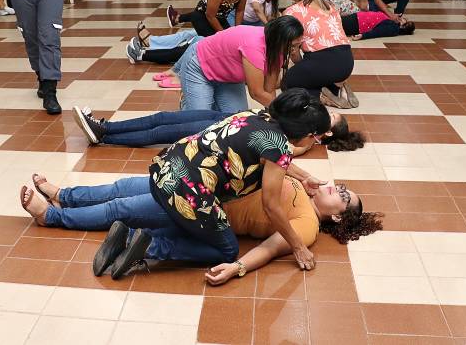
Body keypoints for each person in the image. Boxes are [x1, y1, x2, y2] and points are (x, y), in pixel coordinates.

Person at [20, 90, 338, 279]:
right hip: (189, 193)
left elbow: (268, 156)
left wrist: (303, 176)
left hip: (170, 166)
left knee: (122, 197)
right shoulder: (279, 147)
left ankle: (66, 201)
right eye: (316, 136)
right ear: (307, 133)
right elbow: (270, 203)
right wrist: (298, 247)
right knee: (227, 249)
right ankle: (62, 219)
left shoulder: (257, 116)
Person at [72, 104, 363, 153]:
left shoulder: (307, 140)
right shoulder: (310, 117)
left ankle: (104, 135)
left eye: (331, 117)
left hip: (227, 129)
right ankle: (106, 127)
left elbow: (283, 150)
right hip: (232, 115)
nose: (327, 113)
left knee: (161, 134)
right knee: (164, 117)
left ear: (327, 133)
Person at [177, 16, 303, 112]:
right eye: (292, 46)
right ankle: (188, 103)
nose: (294, 50)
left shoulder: (278, 49)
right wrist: (285, 113)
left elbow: (269, 89)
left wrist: (274, 115)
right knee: (201, 121)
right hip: (199, 66)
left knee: (237, 120)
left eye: (298, 45)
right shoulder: (254, 46)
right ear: (280, 40)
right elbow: (257, 93)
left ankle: (207, 99)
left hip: (229, 77)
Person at [282, 0, 356, 108]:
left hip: (323, 61)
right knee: (315, 75)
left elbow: (293, 50)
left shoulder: (293, 11)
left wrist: (299, 67)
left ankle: (320, 96)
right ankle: (338, 88)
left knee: (288, 82)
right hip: (347, 62)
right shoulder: (329, 5)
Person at [342, 11, 416, 40]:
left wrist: (362, 36)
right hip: (358, 18)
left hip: (357, 23)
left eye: (404, 20)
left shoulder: (393, 28)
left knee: (336, 24)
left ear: (402, 26)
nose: (401, 18)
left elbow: (377, 32)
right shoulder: (392, 22)